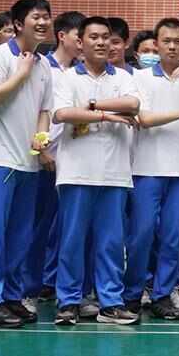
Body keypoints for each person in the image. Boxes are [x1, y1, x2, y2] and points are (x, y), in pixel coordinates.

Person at [48, 17, 140, 325]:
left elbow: (133, 103)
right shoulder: (66, 78)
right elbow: (62, 113)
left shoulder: (124, 77)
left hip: (115, 174)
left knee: (111, 242)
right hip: (76, 172)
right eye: (94, 37)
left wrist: (90, 105)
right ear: (80, 43)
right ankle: (68, 301)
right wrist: (107, 115)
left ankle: (110, 302)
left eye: (106, 38)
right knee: (72, 239)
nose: (101, 43)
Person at [0, 0, 56, 328]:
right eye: (36, 17)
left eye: (47, 17)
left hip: (28, 163)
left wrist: (40, 144)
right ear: (19, 23)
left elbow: (44, 112)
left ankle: (10, 295)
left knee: (20, 236)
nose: (43, 22)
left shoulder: (45, 65)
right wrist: (21, 74)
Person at [128, 17, 179, 317]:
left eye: (178, 41)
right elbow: (144, 119)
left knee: (173, 237)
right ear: (156, 44)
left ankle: (162, 294)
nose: (173, 46)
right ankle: (133, 292)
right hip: (147, 169)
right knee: (142, 234)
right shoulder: (140, 79)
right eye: (167, 41)